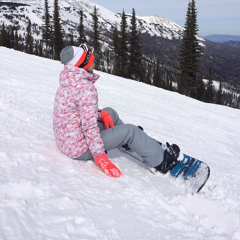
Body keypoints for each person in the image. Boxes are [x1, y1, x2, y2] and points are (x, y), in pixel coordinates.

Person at [53, 44, 180, 178]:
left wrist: (99, 113)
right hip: (79, 149)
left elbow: (77, 111)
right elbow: (89, 127)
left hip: (67, 141)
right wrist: (100, 157)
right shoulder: (85, 88)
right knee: (130, 131)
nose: (94, 62)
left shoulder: (69, 80)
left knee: (109, 112)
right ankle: (160, 161)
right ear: (83, 64)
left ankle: (127, 143)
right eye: (91, 60)